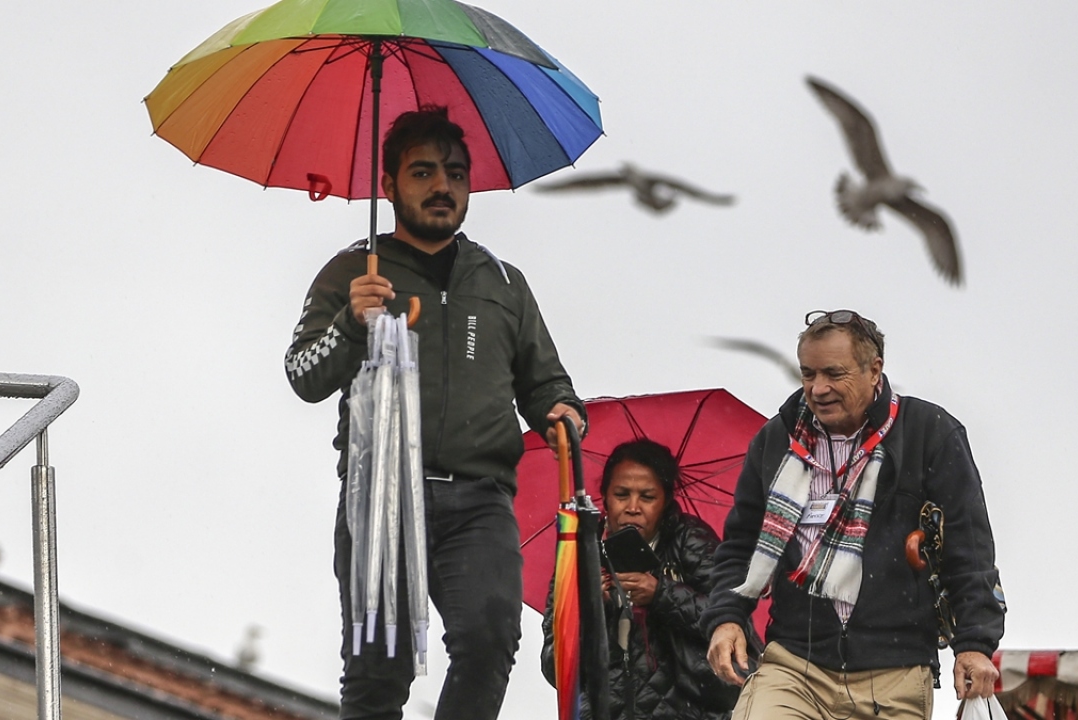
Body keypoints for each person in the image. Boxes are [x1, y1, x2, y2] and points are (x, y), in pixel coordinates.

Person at [285, 107, 586, 720]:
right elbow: (302, 375)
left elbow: (546, 383)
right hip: (381, 498)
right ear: (389, 185)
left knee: (489, 641)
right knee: (377, 678)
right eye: (422, 172)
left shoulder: (504, 282)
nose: (442, 186)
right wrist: (350, 322)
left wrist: (562, 411)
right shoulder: (352, 271)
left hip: (480, 500)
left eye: (455, 173)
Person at [701, 310, 1005, 720]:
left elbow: (968, 549)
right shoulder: (776, 440)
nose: (818, 388)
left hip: (895, 673)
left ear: (874, 369)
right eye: (808, 374)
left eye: (833, 373)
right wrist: (726, 618)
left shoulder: (929, 432)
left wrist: (974, 644)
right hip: (794, 664)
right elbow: (741, 546)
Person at [541, 439, 747, 720]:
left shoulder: (690, 540)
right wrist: (592, 611)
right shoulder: (578, 555)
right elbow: (555, 668)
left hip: (687, 710)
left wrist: (661, 594)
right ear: (604, 496)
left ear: (665, 502)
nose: (633, 507)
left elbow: (731, 619)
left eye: (647, 497)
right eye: (621, 495)